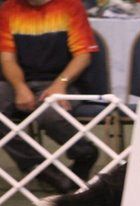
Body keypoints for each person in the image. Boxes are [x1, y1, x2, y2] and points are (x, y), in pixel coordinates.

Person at [0, 0, 100, 193]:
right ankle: (39, 168)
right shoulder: (9, 9)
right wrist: (19, 86)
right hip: (19, 81)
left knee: (49, 114)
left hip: (67, 81)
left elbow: (83, 56)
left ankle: (84, 152)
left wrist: (60, 84)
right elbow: (6, 58)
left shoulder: (71, 6)